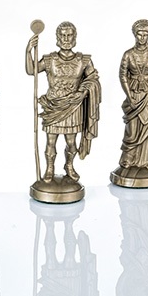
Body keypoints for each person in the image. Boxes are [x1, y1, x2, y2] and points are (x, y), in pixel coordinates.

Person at [26, 22, 101, 182]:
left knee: (71, 142)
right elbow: (31, 70)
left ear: (74, 37)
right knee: (50, 141)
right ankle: (49, 168)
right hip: (53, 106)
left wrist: (82, 92)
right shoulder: (49, 59)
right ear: (58, 38)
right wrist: (28, 51)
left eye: (69, 35)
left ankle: (69, 166)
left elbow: (93, 79)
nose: (66, 39)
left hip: (73, 106)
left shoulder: (84, 60)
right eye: (63, 35)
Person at [117, 19, 148, 170]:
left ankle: (146, 159)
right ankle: (128, 158)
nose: (142, 37)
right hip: (133, 92)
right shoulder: (128, 54)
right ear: (135, 34)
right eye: (139, 34)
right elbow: (122, 75)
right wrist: (129, 96)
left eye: (145, 34)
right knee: (132, 129)